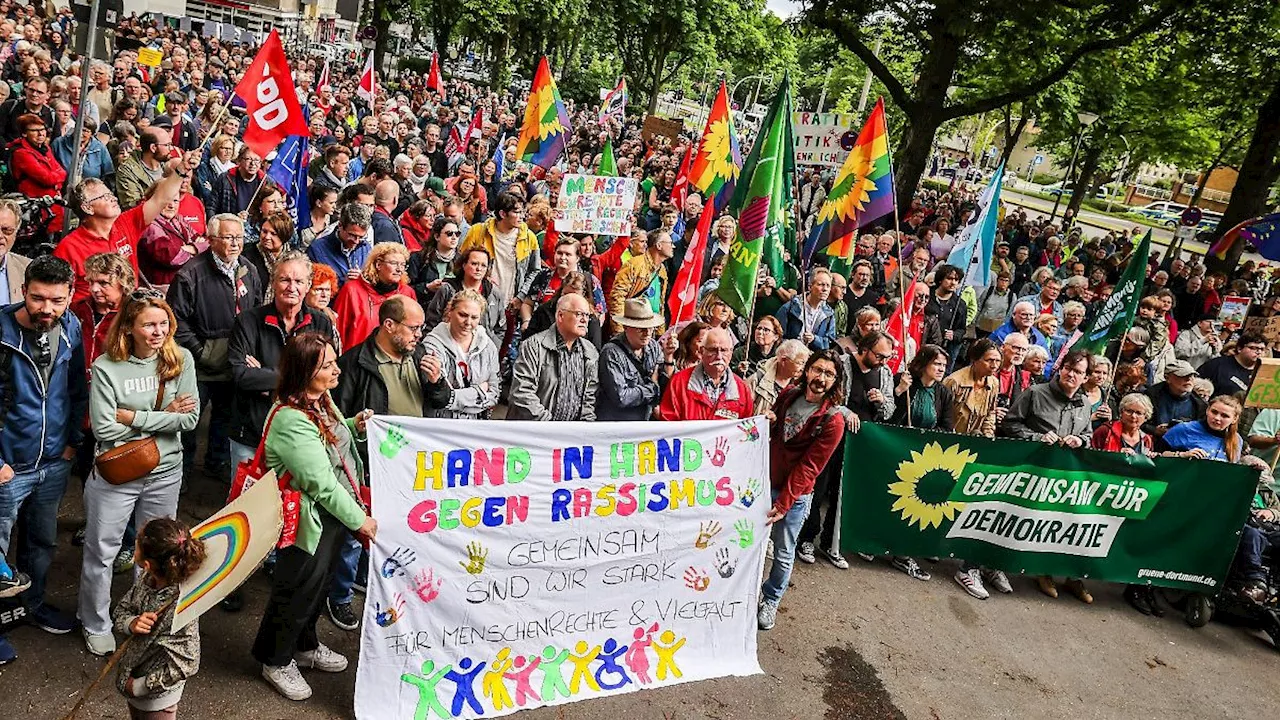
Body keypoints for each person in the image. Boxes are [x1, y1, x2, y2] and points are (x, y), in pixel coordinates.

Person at [252, 332, 377, 702]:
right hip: (308, 523)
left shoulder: (319, 400)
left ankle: (305, 646)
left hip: (329, 520)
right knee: (296, 590)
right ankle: (274, 660)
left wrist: (354, 425)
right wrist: (360, 520)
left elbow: (333, 442)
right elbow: (321, 484)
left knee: (317, 588)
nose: (337, 369)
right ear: (306, 371)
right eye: (327, 365)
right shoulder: (291, 419)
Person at [79, 292, 199, 656]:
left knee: (157, 552)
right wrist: (166, 414)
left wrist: (132, 417)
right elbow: (103, 429)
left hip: (166, 472)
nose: (157, 331)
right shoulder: (106, 367)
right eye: (148, 324)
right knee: (102, 551)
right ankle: (95, 621)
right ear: (129, 327)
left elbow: (190, 419)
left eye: (163, 323)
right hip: (118, 473)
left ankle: (143, 615)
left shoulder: (181, 360)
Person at [0, 256, 88, 662]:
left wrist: (72, 444)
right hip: (7, 467)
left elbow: (76, 391)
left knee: (41, 541)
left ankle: (31, 606)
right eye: (37, 299)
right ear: (23, 291)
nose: (46, 309)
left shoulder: (71, 328)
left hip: (53, 462)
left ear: (70, 296)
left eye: (56, 300)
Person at [167, 213, 263, 477]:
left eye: (239, 237)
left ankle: (217, 465)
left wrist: (251, 348)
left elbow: (255, 311)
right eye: (228, 237)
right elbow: (176, 321)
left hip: (235, 361)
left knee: (225, 417)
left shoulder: (249, 269)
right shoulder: (190, 274)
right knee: (190, 422)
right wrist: (200, 351)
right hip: (200, 364)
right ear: (211, 240)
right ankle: (182, 474)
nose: (235, 243)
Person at [758, 350, 848, 631]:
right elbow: (775, 436)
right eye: (817, 370)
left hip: (794, 497)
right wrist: (771, 421)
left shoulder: (833, 421)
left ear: (836, 381)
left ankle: (771, 598)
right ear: (807, 371)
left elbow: (810, 467)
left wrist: (784, 502)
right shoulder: (788, 396)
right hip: (763, 483)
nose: (821, 378)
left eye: (829, 374)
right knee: (751, 544)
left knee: (784, 551)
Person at [1001, 349, 1095, 603]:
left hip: (1064, 478)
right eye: (1068, 368)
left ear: (1086, 378)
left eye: (1078, 372)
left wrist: (1081, 440)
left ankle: (1059, 575)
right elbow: (1009, 425)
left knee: (1060, 525)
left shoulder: (1085, 404)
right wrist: (1037, 438)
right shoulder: (1035, 393)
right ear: (1060, 368)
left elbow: (1088, 434)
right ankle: (1000, 567)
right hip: (1031, 472)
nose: (1071, 375)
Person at [57, 150, 199, 304]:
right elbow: (58, 293)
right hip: (92, 320)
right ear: (87, 207)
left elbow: (161, 199)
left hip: (128, 314)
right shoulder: (69, 247)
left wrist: (182, 169)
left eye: (110, 194)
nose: (112, 198)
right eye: (104, 197)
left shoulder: (126, 222)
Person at [111, 518, 206, 719]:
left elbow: (188, 662)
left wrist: (140, 686)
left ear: (146, 563)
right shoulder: (147, 579)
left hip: (158, 699)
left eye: (136, 545)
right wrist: (131, 623)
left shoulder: (180, 608)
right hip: (134, 672)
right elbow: (122, 609)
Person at [508, 293, 600, 421]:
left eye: (587, 315)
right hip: (533, 433)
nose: (584, 320)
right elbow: (522, 392)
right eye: (579, 314)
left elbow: (589, 399)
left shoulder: (590, 352)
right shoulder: (533, 346)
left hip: (571, 436)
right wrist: (551, 427)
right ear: (560, 315)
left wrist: (583, 429)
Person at [420, 291, 500, 420]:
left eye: (474, 317)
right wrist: (480, 391)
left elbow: (494, 394)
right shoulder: (432, 344)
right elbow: (440, 397)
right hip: (441, 423)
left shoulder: (488, 346)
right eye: (463, 315)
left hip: (476, 424)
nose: (468, 322)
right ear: (450, 312)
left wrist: (454, 397)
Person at [658, 327, 754, 421]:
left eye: (724, 350)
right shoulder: (679, 383)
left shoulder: (742, 389)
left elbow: (747, 429)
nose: (719, 356)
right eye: (713, 350)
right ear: (701, 351)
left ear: (731, 352)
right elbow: (668, 425)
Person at [596, 298, 664, 421]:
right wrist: (653, 388)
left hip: (645, 422)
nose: (647, 333)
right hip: (618, 426)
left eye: (650, 328)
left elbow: (664, 386)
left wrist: (669, 358)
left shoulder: (654, 346)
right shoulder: (611, 353)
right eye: (640, 328)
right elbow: (621, 397)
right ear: (626, 327)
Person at [425, 246, 506, 343]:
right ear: (464, 265)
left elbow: (500, 328)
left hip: (483, 349)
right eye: (474, 264)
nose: (479, 269)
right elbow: (432, 322)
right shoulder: (447, 290)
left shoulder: (494, 293)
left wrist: (493, 349)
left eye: (483, 265)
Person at [608, 230, 673, 335]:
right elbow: (617, 297)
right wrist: (620, 330)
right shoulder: (634, 265)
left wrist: (660, 332)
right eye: (669, 243)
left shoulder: (662, 270)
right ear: (659, 245)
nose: (673, 246)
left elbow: (660, 303)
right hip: (634, 326)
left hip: (652, 328)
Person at [1160, 394, 1245, 462]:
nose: (1217, 418)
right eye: (1214, 412)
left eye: (1225, 416)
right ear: (1207, 410)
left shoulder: (1237, 440)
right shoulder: (1185, 428)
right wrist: (1182, 455)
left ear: (1234, 419)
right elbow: (1156, 454)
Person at [307, 203, 374, 286]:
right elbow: (313, 287)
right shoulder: (317, 250)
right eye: (352, 235)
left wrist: (364, 280)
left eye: (361, 237)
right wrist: (343, 284)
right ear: (340, 225)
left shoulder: (365, 248)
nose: (356, 241)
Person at [775, 267, 836, 350]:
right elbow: (777, 336)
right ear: (810, 287)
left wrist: (814, 339)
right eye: (820, 284)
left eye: (828, 286)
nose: (825, 289)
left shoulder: (829, 314)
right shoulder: (790, 308)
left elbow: (830, 342)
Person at [746, 339, 809, 418]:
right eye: (800, 363)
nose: (802, 368)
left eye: (804, 363)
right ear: (784, 360)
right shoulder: (757, 380)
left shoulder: (801, 385)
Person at [208, 145, 265, 218]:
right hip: (229, 224)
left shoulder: (265, 182)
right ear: (239, 160)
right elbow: (211, 206)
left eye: (257, 160)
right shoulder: (225, 179)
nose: (253, 163)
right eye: (248, 159)